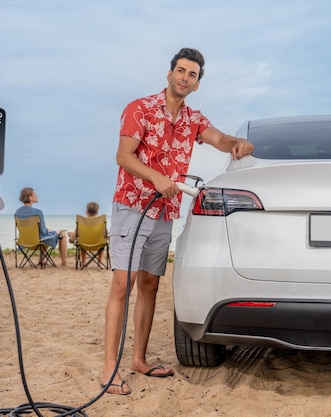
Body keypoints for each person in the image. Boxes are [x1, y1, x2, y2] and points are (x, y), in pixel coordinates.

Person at [100, 47, 254, 395]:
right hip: (132, 204)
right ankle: (109, 369)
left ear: (197, 84)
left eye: (192, 75)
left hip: (166, 212)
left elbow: (220, 139)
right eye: (181, 71)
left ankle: (139, 360)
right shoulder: (139, 108)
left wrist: (239, 143)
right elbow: (123, 156)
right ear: (169, 74)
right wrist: (155, 177)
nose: (185, 78)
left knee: (150, 286)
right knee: (122, 286)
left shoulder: (194, 119)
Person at [15, 187, 68, 267]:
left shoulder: (17, 213)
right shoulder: (37, 213)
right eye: (35, 194)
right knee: (62, 234)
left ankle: (42, 259)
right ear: (30, 197)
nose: (37, 196)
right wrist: (54, 232)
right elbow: (43, 231)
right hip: (38, 242)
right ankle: (64, 262)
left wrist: (49, 230)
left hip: (24, 241)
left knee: (44, 234)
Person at [67, 201, 108, 267]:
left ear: (86, 212)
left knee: (81, 241)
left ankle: (83, 262)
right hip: (98, 245)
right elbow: (106, 235)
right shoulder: (101, 223)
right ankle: (99, 262)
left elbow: (72, 239)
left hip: (84, 245)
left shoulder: (82, 223)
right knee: (102, 242)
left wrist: (70, 236)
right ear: (97, 213)